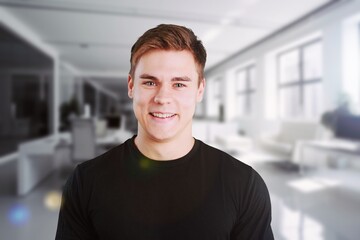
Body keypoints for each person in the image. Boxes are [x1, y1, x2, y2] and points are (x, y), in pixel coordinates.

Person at [55, 24, 274, 240]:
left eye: (179, 84)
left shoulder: (244, 185)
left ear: (199, 90)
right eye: (150, 82)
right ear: (131, 86)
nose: (162, 98)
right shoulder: (85, 182)